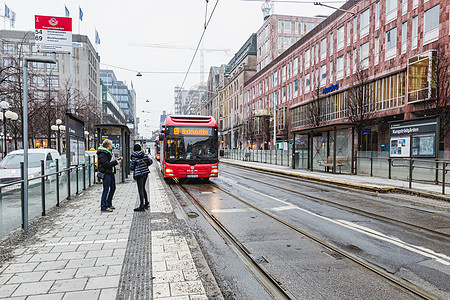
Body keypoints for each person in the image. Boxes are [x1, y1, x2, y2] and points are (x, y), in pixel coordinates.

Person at [97, 139, 122, 213]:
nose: (112, 145)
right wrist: (116, 162)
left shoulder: (108, 152)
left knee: (113, 188)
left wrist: (116, 160)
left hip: (110, 172)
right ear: (108, 145)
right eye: (111, 144)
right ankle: (103, 207)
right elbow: (106, 164)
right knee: (106, 190)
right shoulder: (102, 153)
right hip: (106, 173)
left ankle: (108, 203)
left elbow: (109, 162)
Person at [130, 144, 152, 211]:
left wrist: (134, 167)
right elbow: (150, 161)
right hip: (145, 173)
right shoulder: (144, 154)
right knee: (143, 188)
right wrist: (145, 166)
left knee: (140, 189)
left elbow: (132, 167)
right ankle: (146, 203)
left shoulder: (134, 155)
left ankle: (141, 205)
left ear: (134, 149)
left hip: (139, 174)